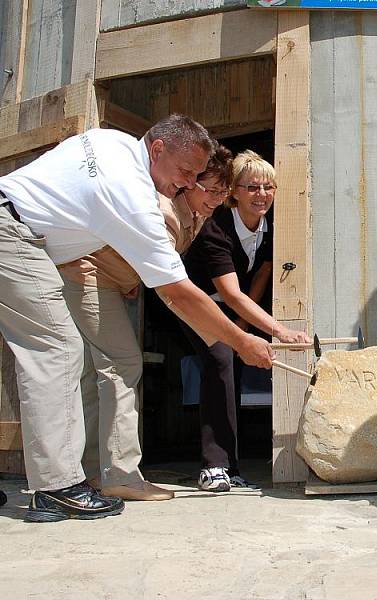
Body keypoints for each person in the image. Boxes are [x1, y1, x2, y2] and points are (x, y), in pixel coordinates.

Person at [0, 115, 274, 522]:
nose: (185, 183)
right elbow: (177, 293)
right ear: (158, 149)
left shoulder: (109, 141)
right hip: (14, 234)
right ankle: (57, 488)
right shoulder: (133, 193)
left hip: (21, 227)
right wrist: (242, 341)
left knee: (64, 354)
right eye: (185, 172)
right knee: (58, 351)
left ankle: (85, 475)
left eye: (195, 175)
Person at [56, 144, 235, 502]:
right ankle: (121, 475)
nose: (217, 199)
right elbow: (173, 291)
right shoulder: (166, 212)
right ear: (189, 184)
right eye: (210, 189)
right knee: (122, 364)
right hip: (88, 277)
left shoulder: (196, 216)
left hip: (106, 282)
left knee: (98, 372)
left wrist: (128, 280)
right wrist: (231, 338)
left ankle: (93, 472)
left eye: (223, 191)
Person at [183, 150, 311, 492]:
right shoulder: (215, 231)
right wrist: (280, 330)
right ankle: (214, 466)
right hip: (192, 301)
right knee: (220, 356)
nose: (262, 195)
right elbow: (231, 293)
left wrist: (241, 327)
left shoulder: (271, 227)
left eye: (268, 187)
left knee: (234, 365)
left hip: (233, 304)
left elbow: (260, 277)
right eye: (252, 187)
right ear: (233, 193)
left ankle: (231, 465)